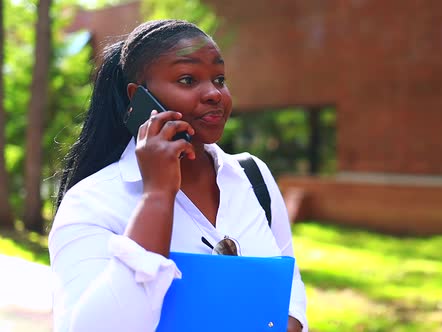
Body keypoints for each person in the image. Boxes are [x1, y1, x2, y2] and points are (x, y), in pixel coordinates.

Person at [49, 19, 307, 332]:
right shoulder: (93, 201)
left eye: (220, 78)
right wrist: (157, 196)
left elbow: (289, 296)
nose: (214, 93)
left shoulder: (253, 176)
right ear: (139, 97)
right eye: (187, 79)